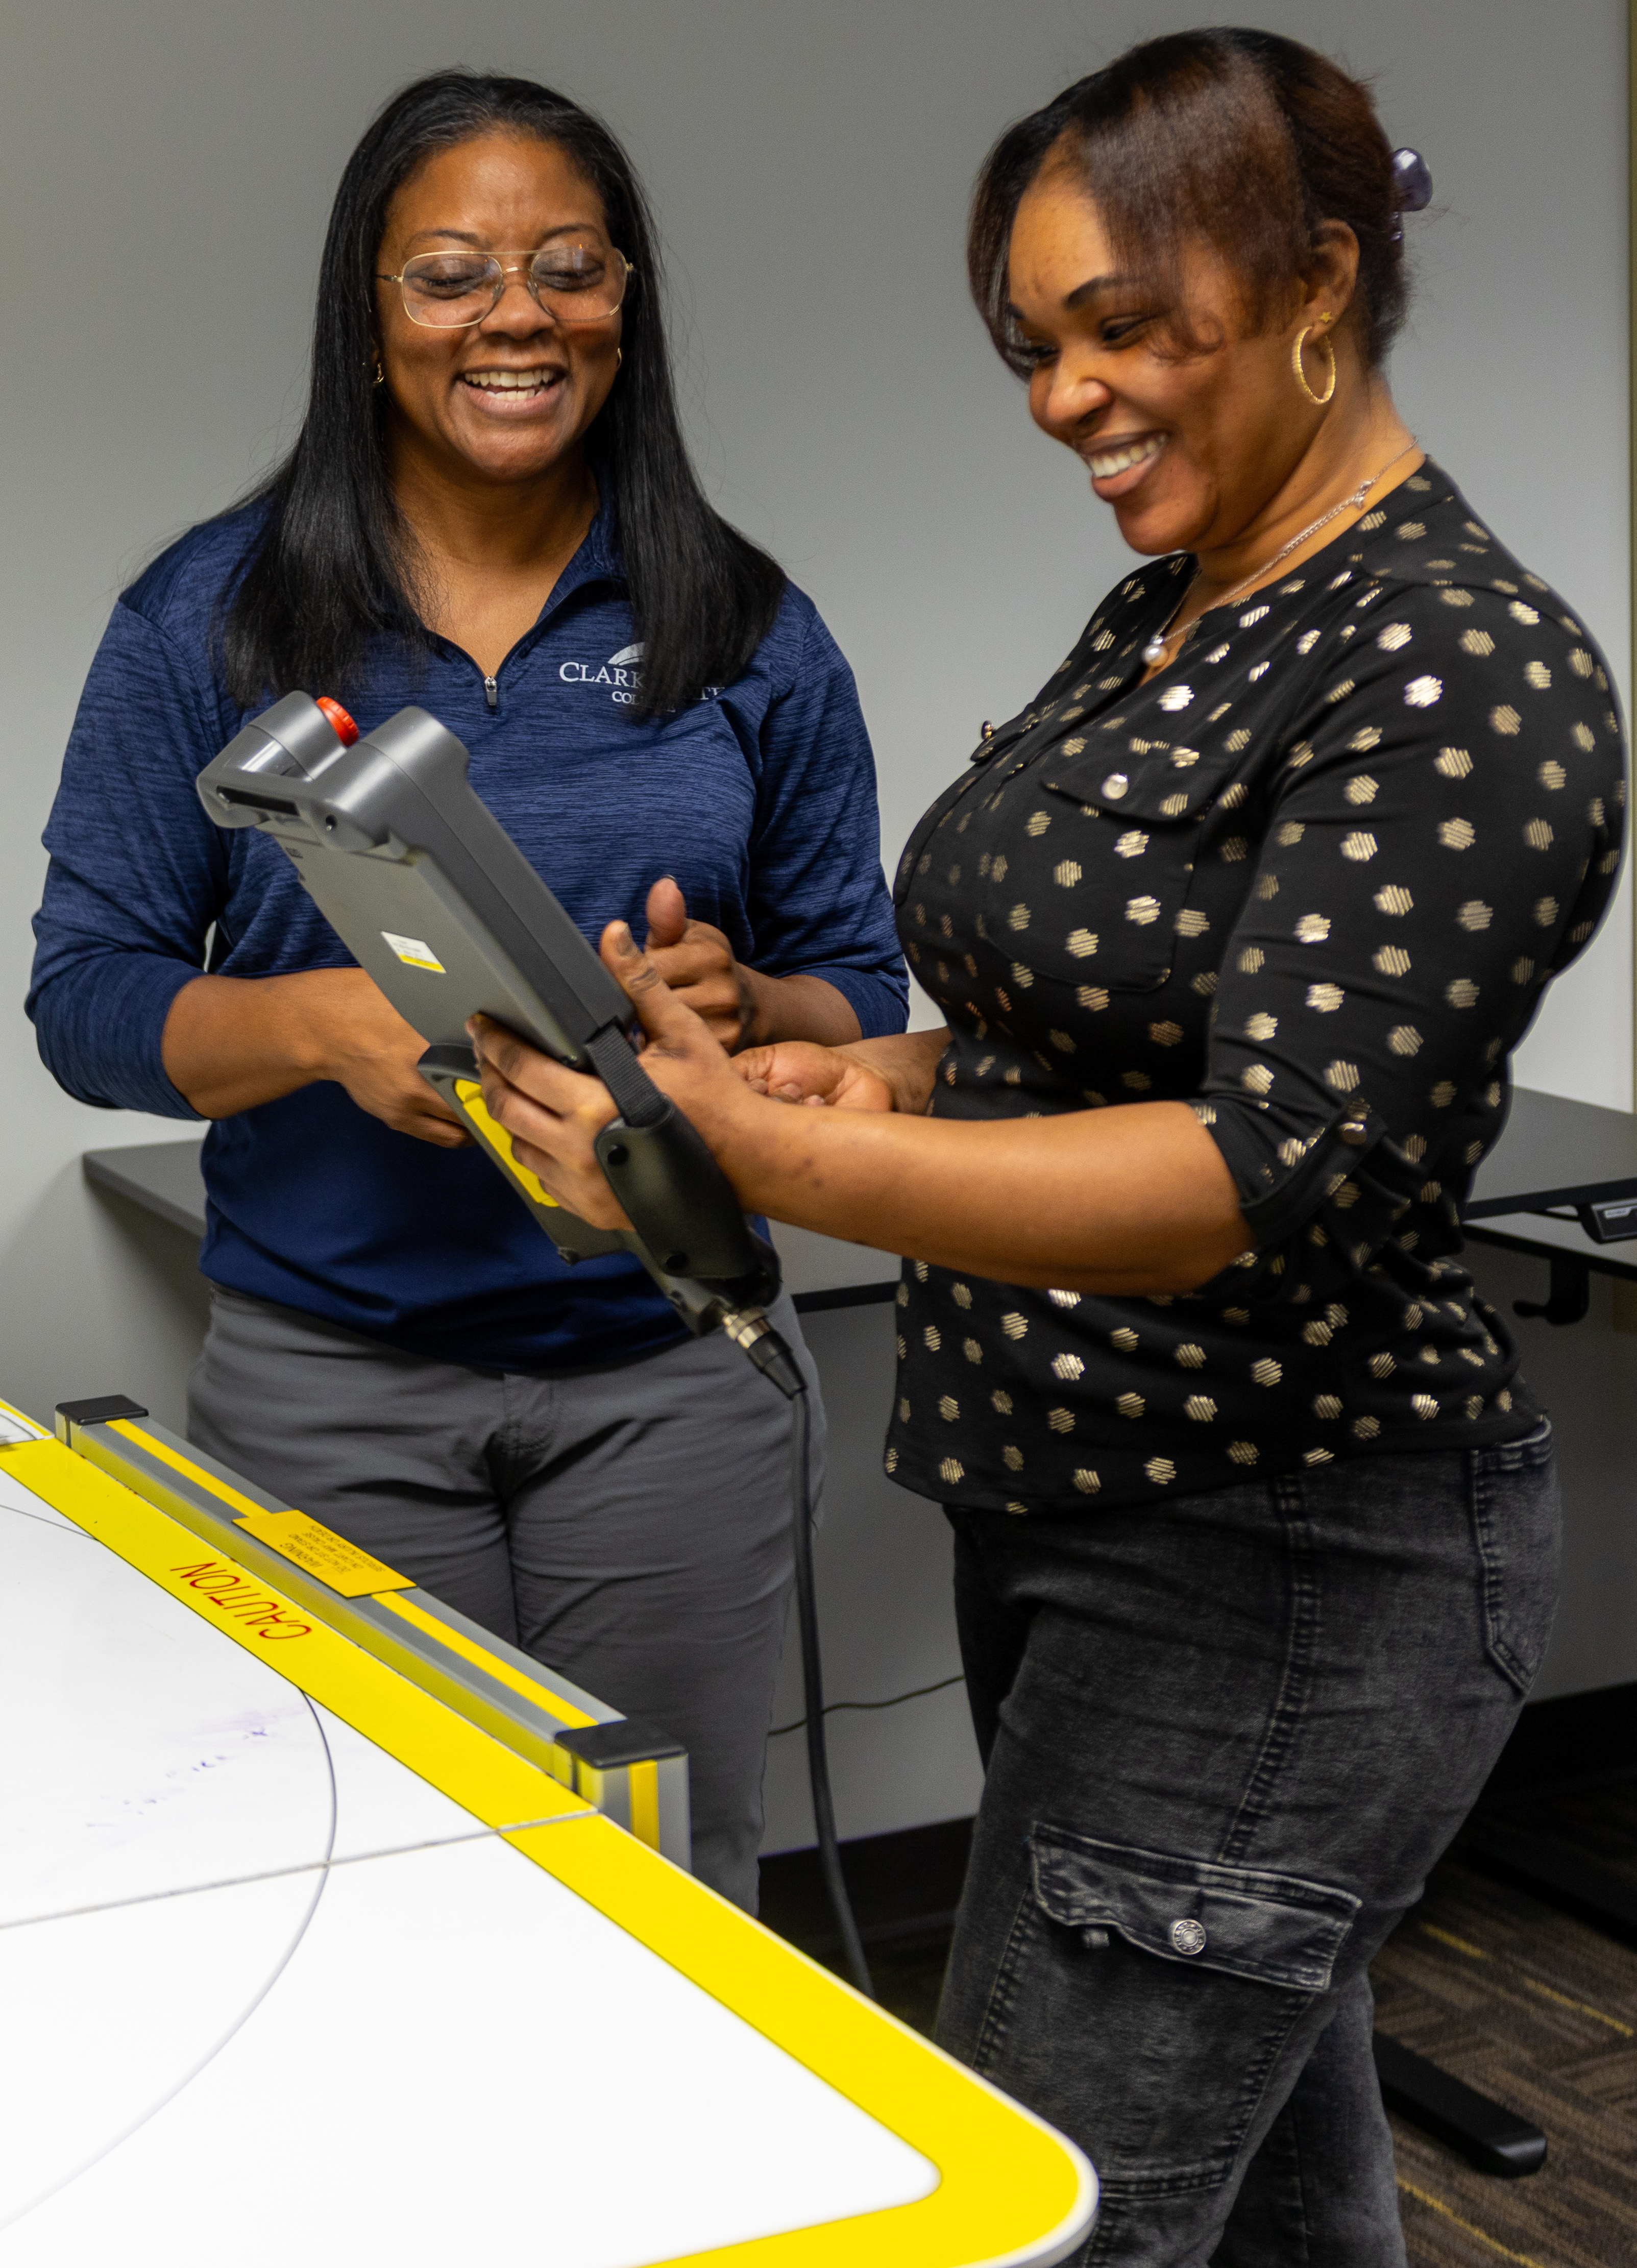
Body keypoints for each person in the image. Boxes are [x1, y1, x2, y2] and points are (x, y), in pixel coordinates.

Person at [464, 29, 1626, 2266]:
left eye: (1120, 327)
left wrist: (758, 1159)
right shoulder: (1182, 611)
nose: (1061, 397)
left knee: (1027, 2222)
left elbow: (1243, 1169)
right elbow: (1055, 1043)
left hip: (1282, 1570)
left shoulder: (1454, 660)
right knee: (1280, 2204)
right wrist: (821, 1070)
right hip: (1097, 1537)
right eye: (1034, 345)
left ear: (1313, 282)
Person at [28, 70, 907, 1914]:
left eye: (568, 268)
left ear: (626, 305)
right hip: (327, 1385)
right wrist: (317, 1031)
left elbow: (859, 987)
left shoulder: (745, 627)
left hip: (673, 1378)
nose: (517, 314)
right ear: (369, 316)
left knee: (673, 1901)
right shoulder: (209, 618)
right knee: (381, 1907)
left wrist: (752, 1006)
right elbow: (89, 1004)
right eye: (451, 274)